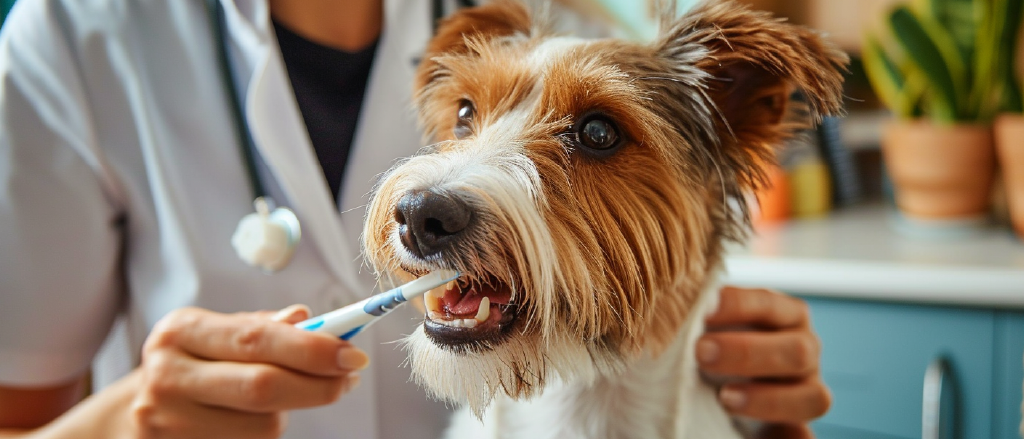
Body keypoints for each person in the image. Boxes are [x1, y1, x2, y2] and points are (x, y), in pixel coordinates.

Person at [0, 0, 830, 438]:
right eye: (466, 118)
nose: (451, 179)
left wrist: (753, 369)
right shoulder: (75, 34)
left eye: (594, 133)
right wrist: (124, 420)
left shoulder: (572, 28)